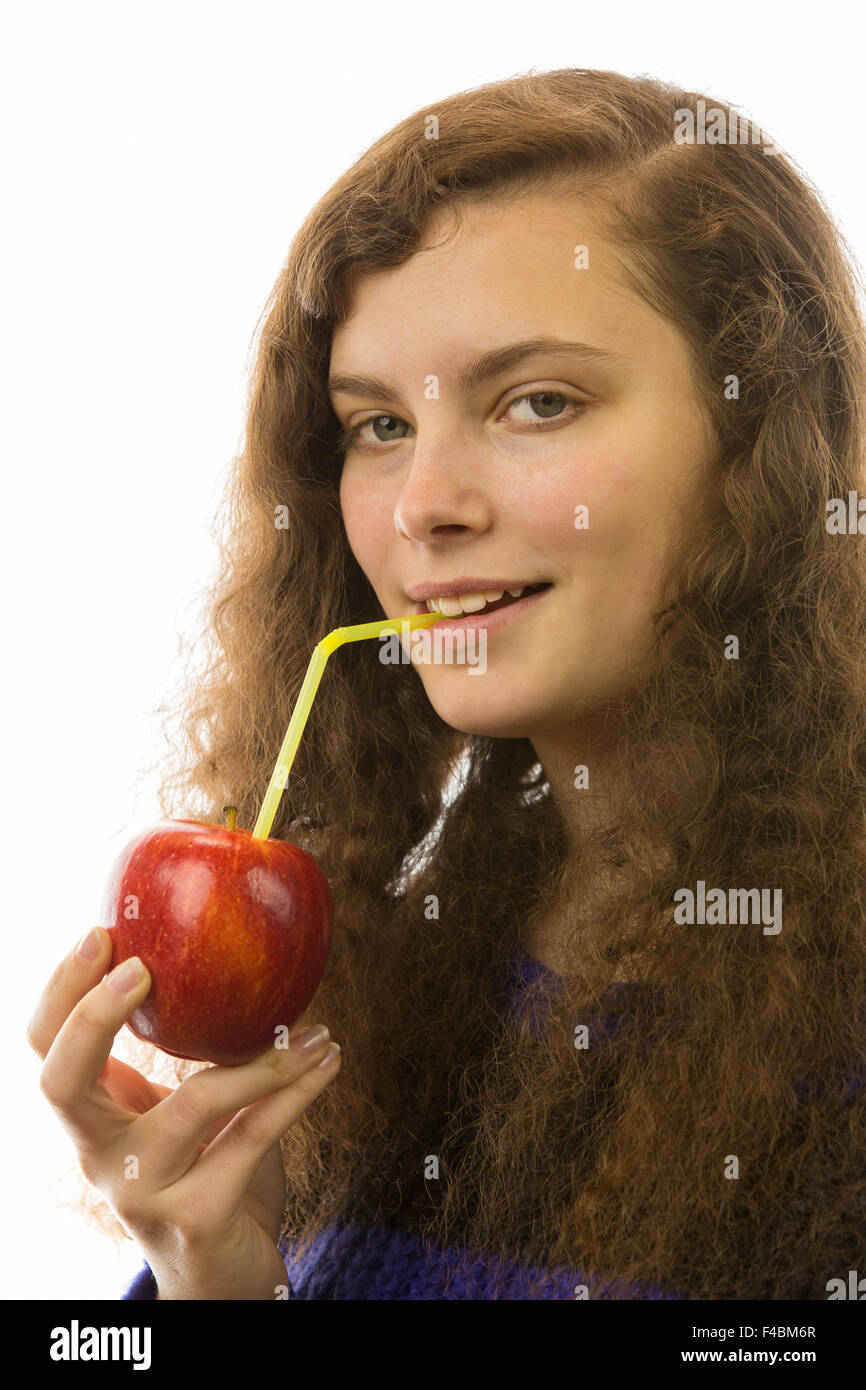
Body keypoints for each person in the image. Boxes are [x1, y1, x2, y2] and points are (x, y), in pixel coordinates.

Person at [27, 67, 866, 1300]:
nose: (422, 507)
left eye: (535, 402)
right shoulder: (387, 980)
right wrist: (214, 1280)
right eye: (376, 425)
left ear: (763, 442)